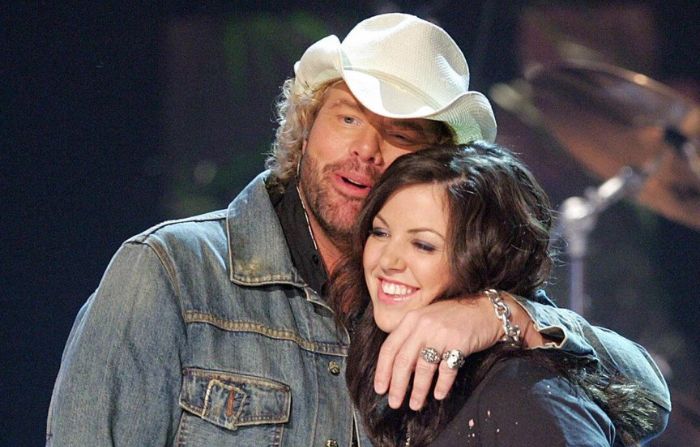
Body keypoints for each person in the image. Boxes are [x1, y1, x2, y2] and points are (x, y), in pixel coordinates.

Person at [46, 13, 670, 446]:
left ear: (436, 166)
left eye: (399, 134)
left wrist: (503, 314)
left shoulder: (452, 291)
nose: (366, 151)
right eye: (347, 118)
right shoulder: (172, 271)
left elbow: (648, 406)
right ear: (305, 126)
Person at [331, 143, 657, 446]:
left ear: (485, 260)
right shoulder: (375, 353)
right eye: (380, 232)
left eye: (424, 245)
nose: (387, 261)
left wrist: (506, 314)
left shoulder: (522, 392)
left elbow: (651, 395)